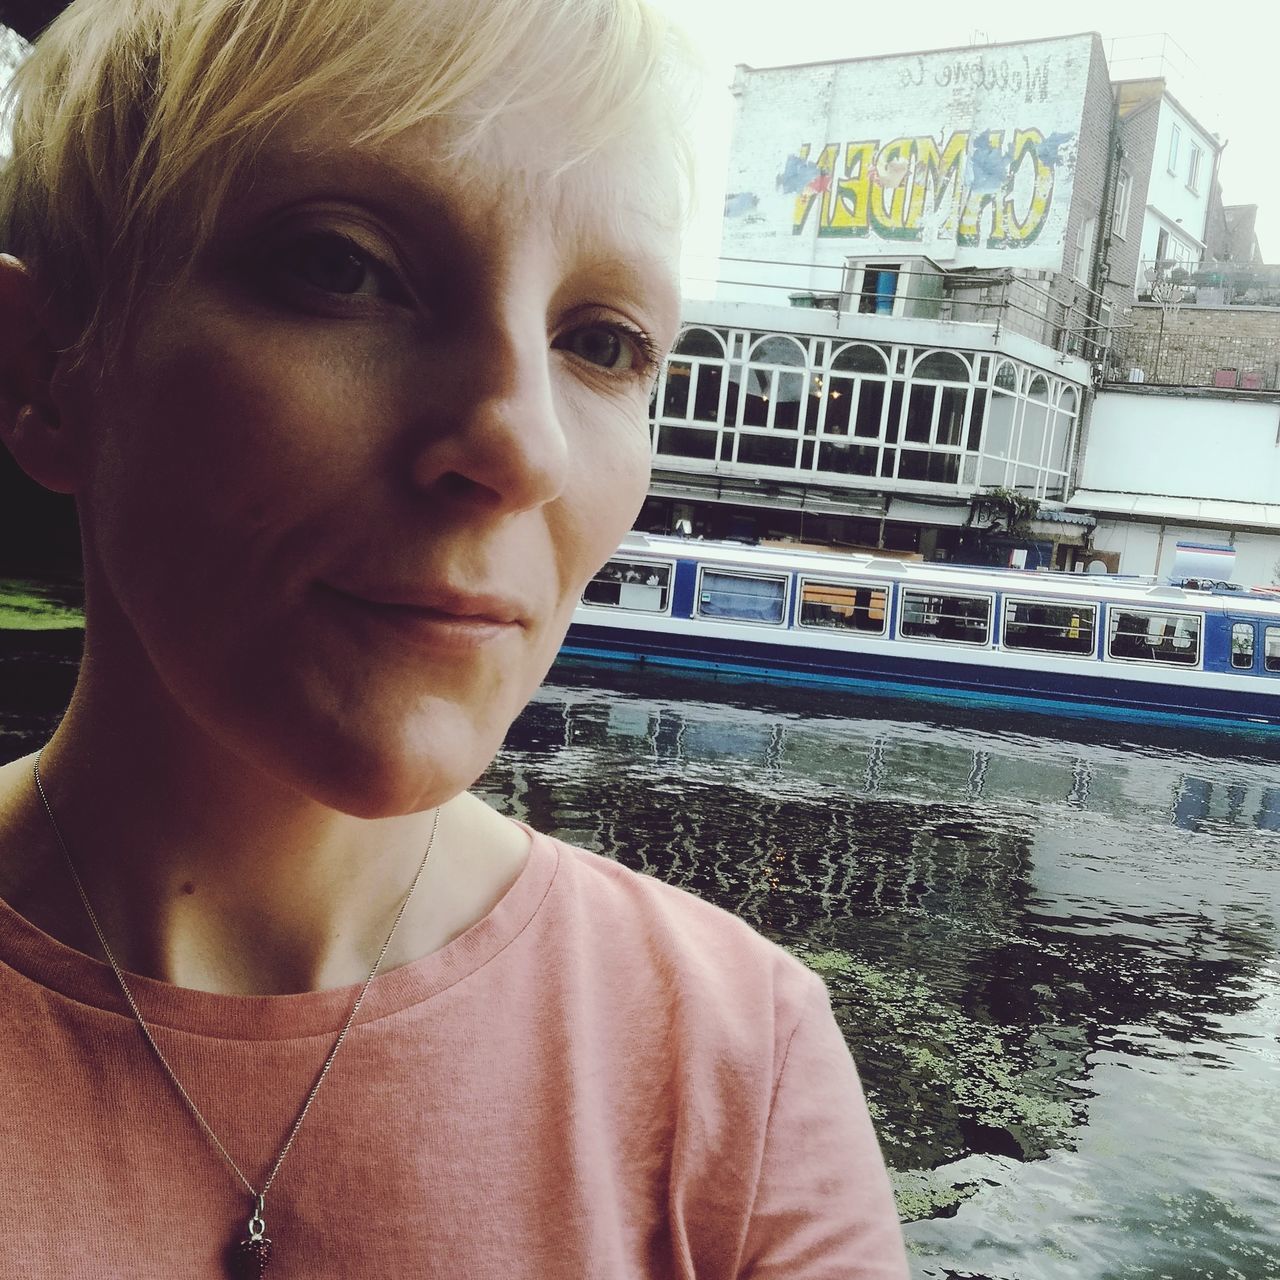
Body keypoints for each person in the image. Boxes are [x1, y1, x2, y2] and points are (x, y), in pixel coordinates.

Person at [0, 0, 909, 1275]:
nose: (520, 444)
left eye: (601, 343)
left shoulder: (736, 1066)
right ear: (44, 371)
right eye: (342, 266)